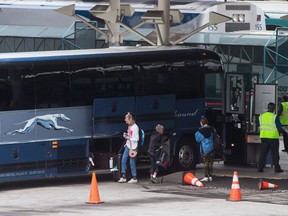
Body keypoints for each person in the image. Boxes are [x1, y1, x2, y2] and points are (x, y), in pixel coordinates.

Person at [257, 102, 288, 173]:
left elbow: (259, 125)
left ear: (267, 107)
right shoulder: (275, 116)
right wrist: (284, 133)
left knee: (263, 153)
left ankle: (260, 168)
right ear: (274, 108)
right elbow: (279, 127)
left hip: (264, 137)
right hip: (273, 137)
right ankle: (277, 168)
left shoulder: (261, 116)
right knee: (274, 153)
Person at [118, 112, 139, 183]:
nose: (126, 122)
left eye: (127, 120)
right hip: (128, 145)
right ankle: (123, 176)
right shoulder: (130, 126)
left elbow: (136, 138)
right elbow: (130, 136)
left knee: (131, 162)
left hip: (133, 146)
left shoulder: (135, 127)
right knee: (123, 160)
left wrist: (129, 139)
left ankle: (134, 177)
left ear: (130, 119)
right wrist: (127, 139)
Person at [195, 116, 215, 182]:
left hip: (205, 149)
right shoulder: (212, 129)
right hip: (212, 148)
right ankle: (211, 176)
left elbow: (197, 139)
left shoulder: (200, 131)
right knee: (211, 163)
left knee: (206, 163)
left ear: (202, 123)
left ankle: (206, 176)